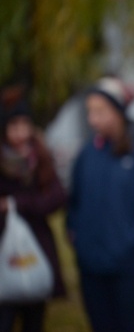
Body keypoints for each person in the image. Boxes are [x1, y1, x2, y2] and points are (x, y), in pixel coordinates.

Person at [66, 77, 134, 332]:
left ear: (119, 111)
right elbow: (74, 202)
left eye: (100, 111)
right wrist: (78, 238)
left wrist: (127, 239)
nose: (93, 119)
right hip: (91, 266)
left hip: (133, 269)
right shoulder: (86, 154)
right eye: (89, 112)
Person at [0, 86, 67, 332]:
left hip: (37, 250)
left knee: (34, 320)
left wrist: (16, 204)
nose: (20, 133)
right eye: (13, 126)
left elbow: (57, 197)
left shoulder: (40, 158)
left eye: (24, 125)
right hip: (4, 253)